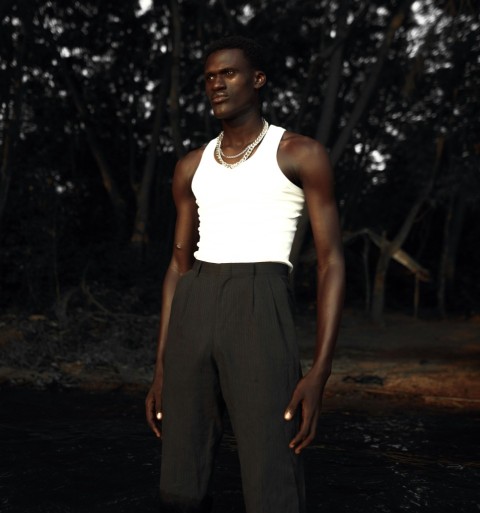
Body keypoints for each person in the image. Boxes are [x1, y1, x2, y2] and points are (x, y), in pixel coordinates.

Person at [145, 35, 345, 513]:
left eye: (228, 73)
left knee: (272, 476)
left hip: (260, 302)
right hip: (195, 303)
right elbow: (177, 266)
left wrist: (320, 371)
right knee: (179, 484)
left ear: (257, 80)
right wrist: (160, 365)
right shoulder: (190, 166)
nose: (217, 84)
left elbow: (332, 262)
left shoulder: (300, 154)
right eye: (209, 77)